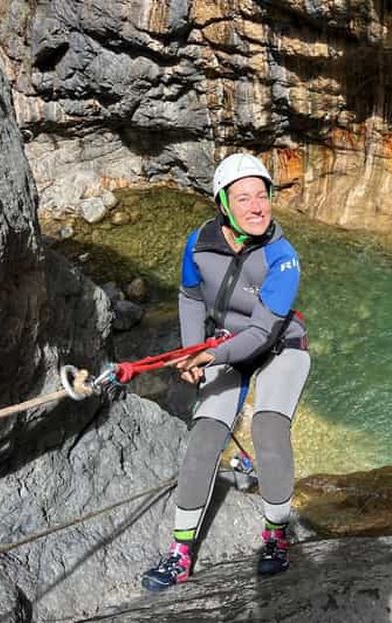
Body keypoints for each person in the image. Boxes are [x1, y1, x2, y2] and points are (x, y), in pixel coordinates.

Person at [141, 153, 310, 591]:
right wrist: (190, 350)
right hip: (219, 345)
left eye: (263, 196)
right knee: (203, 438)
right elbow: (190, 296)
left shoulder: (283, 257)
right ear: (223, 205)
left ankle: (275, 535)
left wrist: (207, 358)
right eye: (243, 198)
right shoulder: (199, 242)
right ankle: (180, 552)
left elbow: (260, 333)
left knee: (269, 429)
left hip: (279, 345)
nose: (257, 207)